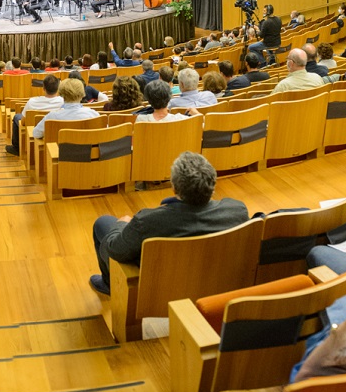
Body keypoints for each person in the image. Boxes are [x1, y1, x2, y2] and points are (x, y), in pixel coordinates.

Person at [87, 152, 248, 294]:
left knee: (103, 223)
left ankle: (109, 285)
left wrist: (121, 224)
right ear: (213, 181)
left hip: (159, 290)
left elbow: (114, 250)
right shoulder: (237, 210)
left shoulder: (147, 221)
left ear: (174, 187)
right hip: (217, 283)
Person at [32, 79, 100, 140]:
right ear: (82, 94)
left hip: (58, 153)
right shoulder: (93, 114)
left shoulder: (52, 117)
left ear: (61, 94)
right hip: (90, 153)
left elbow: (36, 134)